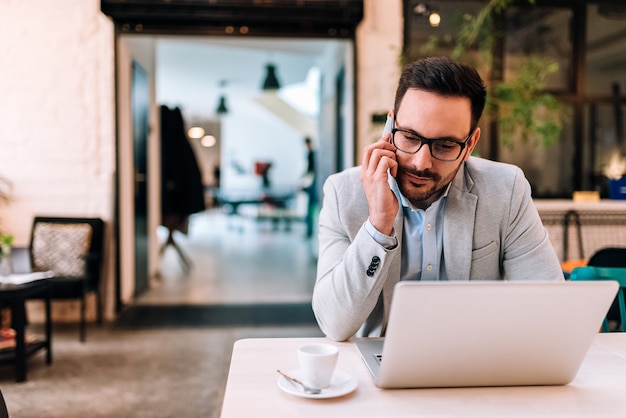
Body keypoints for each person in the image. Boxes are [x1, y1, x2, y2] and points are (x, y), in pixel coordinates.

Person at [312, 56, 563, 342]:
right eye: (409, 137)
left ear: (470, 144)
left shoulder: (505, 190)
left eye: (445, 145)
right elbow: (333, 324)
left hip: (472, 365)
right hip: (377, 368)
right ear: (390, 125)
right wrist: (378, 226)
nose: (421, 162)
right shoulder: (343, 194)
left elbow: (547, 308)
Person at [301, 137, 318, 238]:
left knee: (310, 209)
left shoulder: (312, 155)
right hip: (311, 185)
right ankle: (309, 231)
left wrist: (304, 182)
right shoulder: (311, 154)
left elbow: (309, 172)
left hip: (312, 185)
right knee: (310, 209)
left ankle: (310, 231)